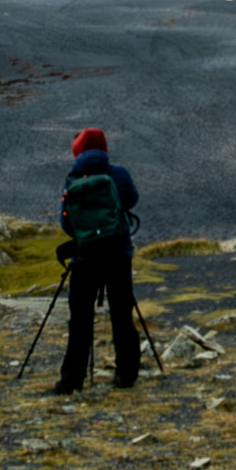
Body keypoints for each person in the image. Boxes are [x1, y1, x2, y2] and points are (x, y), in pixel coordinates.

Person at [53, 126, 140, 394]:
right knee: (121, 315)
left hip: (84, 257)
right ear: (104, 147)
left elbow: (66, 223)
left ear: (77, 150)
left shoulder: (73, 178)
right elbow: (132, 200)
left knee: (80, 318)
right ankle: (126, 375)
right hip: (118, 254)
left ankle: (71, 380)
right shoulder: (119, 174)